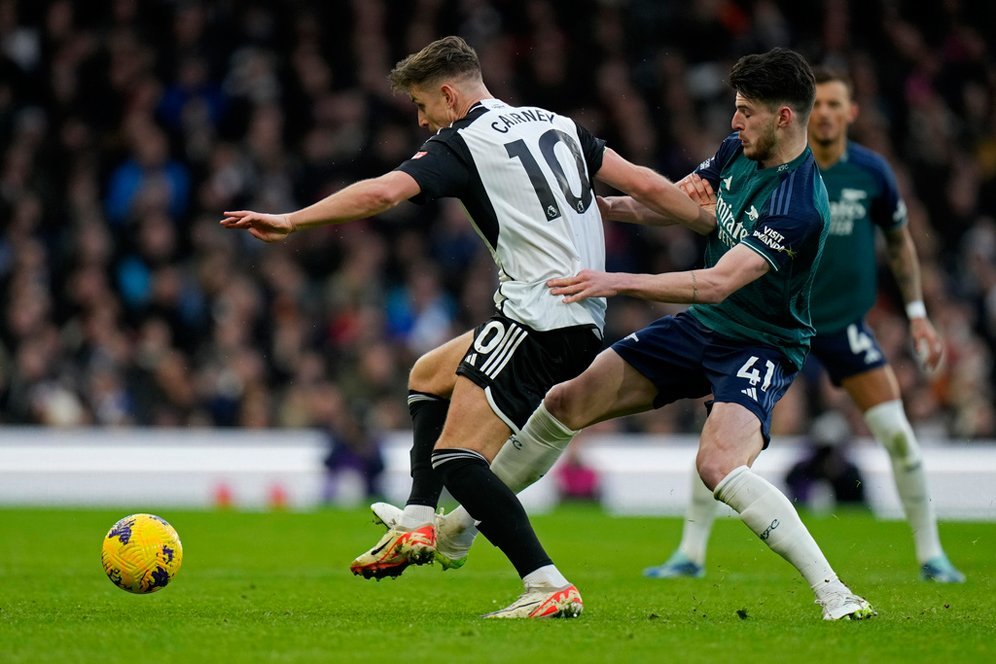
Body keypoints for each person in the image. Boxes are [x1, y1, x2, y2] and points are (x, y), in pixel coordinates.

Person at [221, 35, 711, 619]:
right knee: (429, 374)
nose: (423, 121)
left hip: (537, 318)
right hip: (576, 315)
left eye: (423, 106)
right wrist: (710, 222)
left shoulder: (465, 141)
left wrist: (292, 221)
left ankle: (547, 584)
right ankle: (419, 520)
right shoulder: (559, 125)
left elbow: (382, 192)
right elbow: (649, 186)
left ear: (450, 95)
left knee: (457, 459)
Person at [386, 47, 875, 621]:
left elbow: (718, 282)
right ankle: (461, 530)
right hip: (699, 329)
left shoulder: (800, 205)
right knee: (566, 400)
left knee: (718, 466)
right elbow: (679, 206)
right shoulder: (735, 153)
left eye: (745, 111)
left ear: (784, 117)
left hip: (761, 342)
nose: (734, 121)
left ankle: (835, 593)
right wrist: (596, 207)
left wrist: (614, 279)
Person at [644, 66, 965, 584]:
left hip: (838, 324)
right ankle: (691, 551)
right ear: (804, 115)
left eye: (841, 105)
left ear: (850, 113)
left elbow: (901, 246)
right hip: (767, 325)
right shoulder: (769, 162)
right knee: (720, 434)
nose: (832, 114)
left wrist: (918, 315)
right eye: (826, 104)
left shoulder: (871, 173)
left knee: (897, 433)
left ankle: (932, 554)